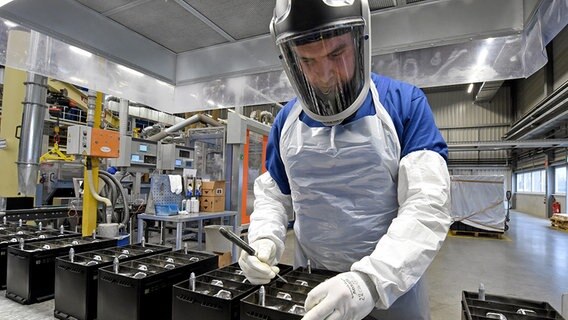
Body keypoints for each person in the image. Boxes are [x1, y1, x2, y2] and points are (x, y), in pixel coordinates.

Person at [238, 0, 451, 319]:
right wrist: (264, 238)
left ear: (359, 42)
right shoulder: (286, 121)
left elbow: (426, 205)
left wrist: (369, 281)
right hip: (310, 281)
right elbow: (274, 197)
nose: (324, 74)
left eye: (336, 54)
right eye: (307, 61)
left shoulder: (404, 104)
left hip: (390, 286)